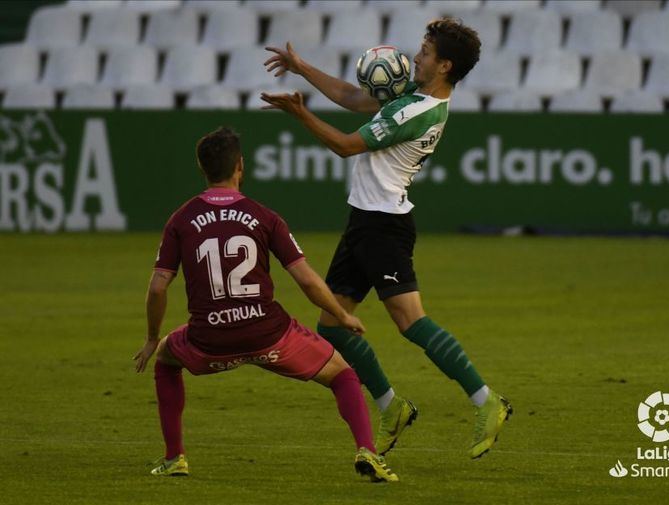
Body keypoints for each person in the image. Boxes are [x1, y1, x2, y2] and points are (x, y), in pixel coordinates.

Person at [261, 18, 512, 459]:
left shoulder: (411, 112)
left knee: (410, 322)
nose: (416, 57)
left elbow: (343, 145)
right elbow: (352, 96)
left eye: (426, 53)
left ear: (444, 65)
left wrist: (300, 113)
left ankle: (486, 400)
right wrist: (302, 67)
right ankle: (391, 407)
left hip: (383, 228)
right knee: (333, 325)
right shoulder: (417, 99)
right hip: (366, 221)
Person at [133, 127, 397, 482]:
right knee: (344, 374)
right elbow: (305, 278)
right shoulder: (264, 216)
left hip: (208, 340)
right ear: (240, 166)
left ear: (202, 169)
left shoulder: (180, 220)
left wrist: (152, 337)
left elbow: (157, 287)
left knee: (165, 360)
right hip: (269, 335)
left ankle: (174, 457)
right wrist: (341, 314)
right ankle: (367, 451)